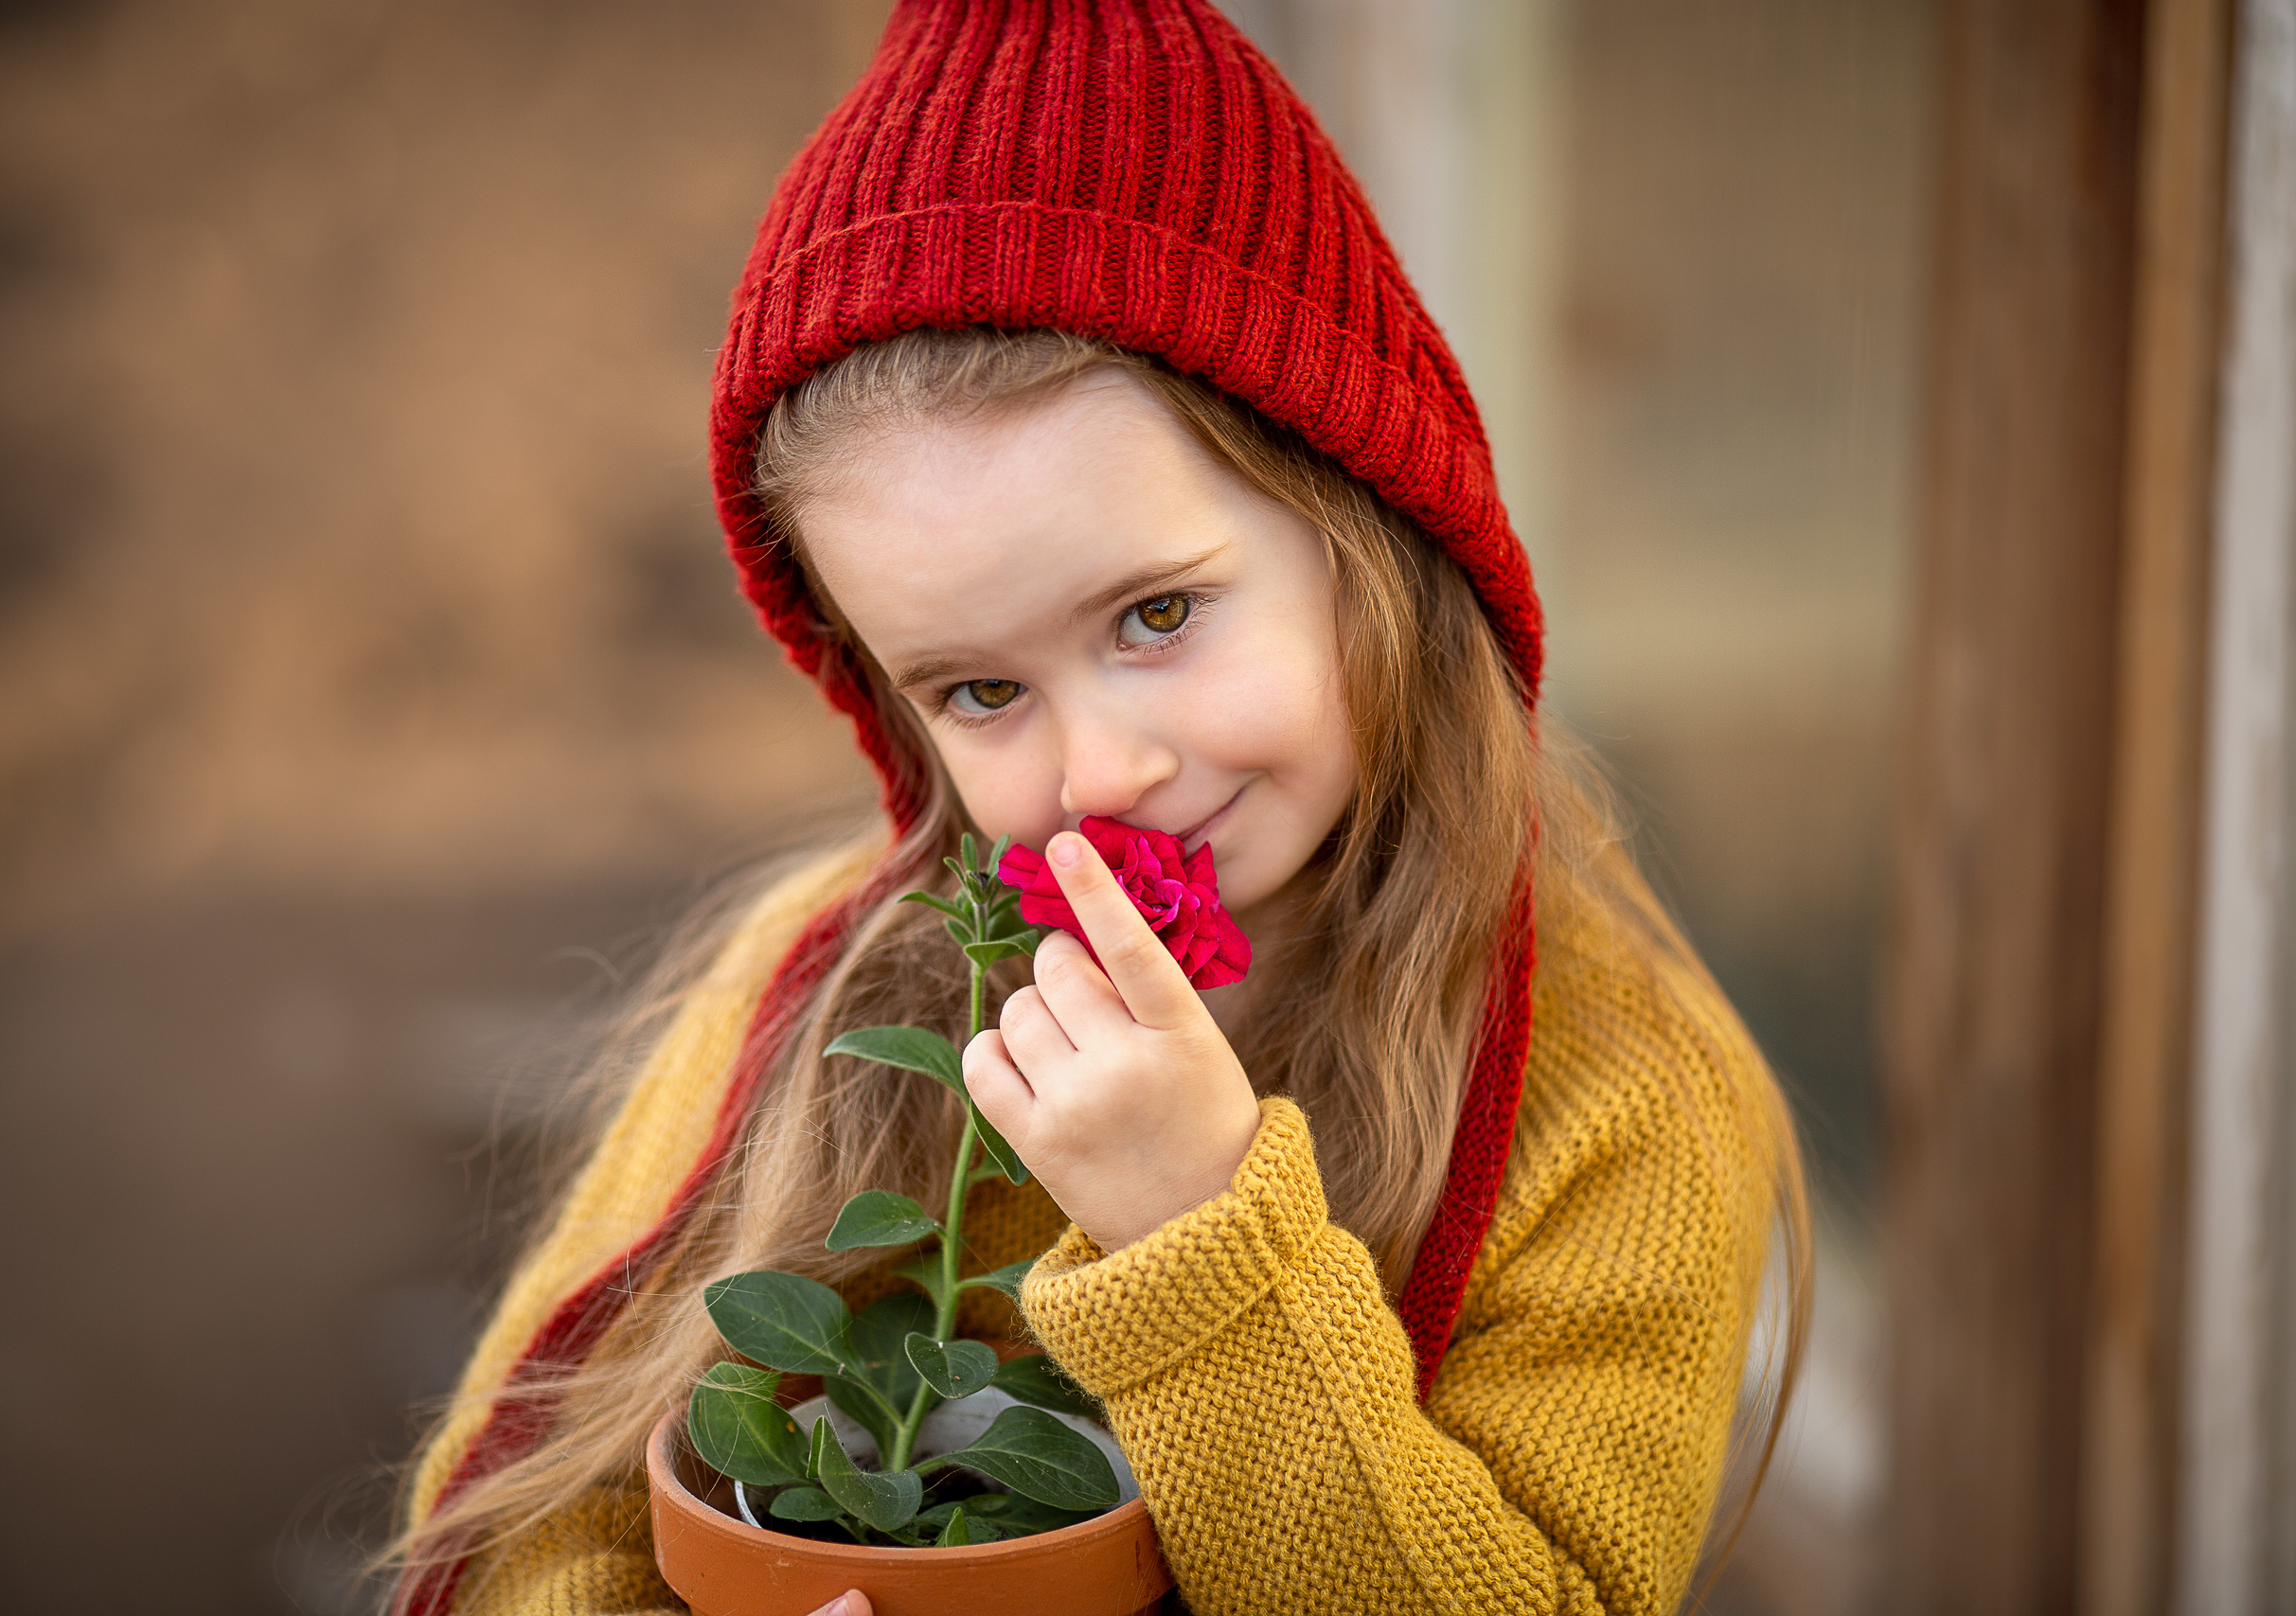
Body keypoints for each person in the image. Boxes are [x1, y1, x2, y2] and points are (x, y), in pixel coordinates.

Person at [387, 3, 1810, 1613]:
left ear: (1371, 524)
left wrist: (1196, 1238)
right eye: (979, 691)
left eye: (1156, 616)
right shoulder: (830, 998)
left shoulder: (1623, 1100)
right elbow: (525, 1516)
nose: (1101, 777)